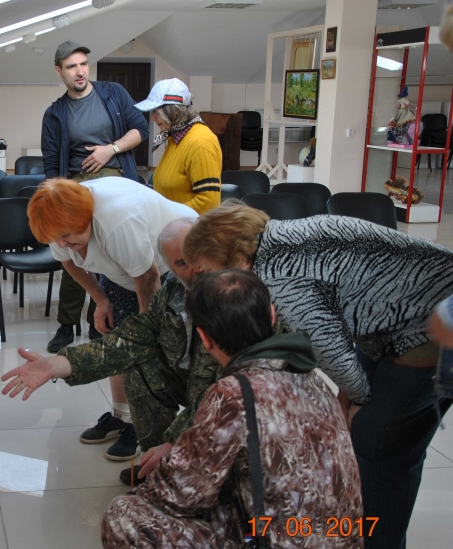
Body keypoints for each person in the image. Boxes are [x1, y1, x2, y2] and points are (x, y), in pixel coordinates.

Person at [181, 204, 453, 549]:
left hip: (427, 328)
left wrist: (361, 400)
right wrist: (349, 394)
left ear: (231, 258)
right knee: (379, 434)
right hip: (410, 313)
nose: (205, 282)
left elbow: (330, 347)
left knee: (378, 444)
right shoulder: (285, 233)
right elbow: (357, 309)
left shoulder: (278, 277)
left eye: (205, 271)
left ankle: (379, 542)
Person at [101, 270, 363, 549]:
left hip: (273, 539)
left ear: (205, 338)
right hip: (343, 537)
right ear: (272, 315)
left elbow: (178, 492)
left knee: (122, 515)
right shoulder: (312, 380)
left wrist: (148, 485)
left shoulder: (234, 394)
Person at [0, 218, 221, 484]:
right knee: (139, 360)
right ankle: (157, 465)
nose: (195, 270)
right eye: (181, 264)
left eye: (198, 259)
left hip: (236, 408)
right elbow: (134, 337)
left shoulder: (243, 299)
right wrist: (58, 364)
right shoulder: (175, 287)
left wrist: (177, 442)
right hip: (197, 384)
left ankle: (184, 465)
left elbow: (228, 394)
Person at [26, 179, 197, 461]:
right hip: (126, 268)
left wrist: (145, 333)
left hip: (173, 265)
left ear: (87, 220)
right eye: (55, 239)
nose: (61, 244)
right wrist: (101, 299)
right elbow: (68, 262)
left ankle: (144, 431)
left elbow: (148, 277)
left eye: (67, 236)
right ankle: (121, 416)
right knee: (115, 334)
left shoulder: (117, 221)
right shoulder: (60, 224)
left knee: (141, 352)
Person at [41, 40, 149, 354]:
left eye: (83, 64)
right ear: (59, 71)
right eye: (72, 66)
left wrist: (110, 149)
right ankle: (66, 324)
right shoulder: (55, 114)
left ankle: (97, 319)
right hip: (76, 190)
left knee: (109, 254)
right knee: (75, 255)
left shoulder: (113, 93)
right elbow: (51, 164)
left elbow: (139, 127)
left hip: (116, 184)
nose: (80, 72)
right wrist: (57, 202)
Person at [135, 78, 222, 214]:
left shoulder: (200, 142)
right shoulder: (176, 137)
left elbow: (208, 202)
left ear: (175, 111)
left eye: (156, 112)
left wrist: (167, 216)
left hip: (189, 232)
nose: (152, 117)